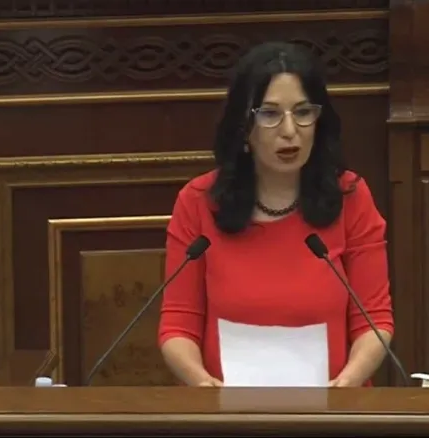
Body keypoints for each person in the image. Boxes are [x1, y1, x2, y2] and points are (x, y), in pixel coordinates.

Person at [157, 41, 394, 388]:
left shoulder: (351, 197)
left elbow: (374, 321)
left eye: (302, 112)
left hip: (333, 407)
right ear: (243, 126)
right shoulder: (198, 202)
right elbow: (178, 325)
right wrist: (205, 387)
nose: (289, 130)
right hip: (226, 409)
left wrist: (344, 387)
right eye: (269, 114)